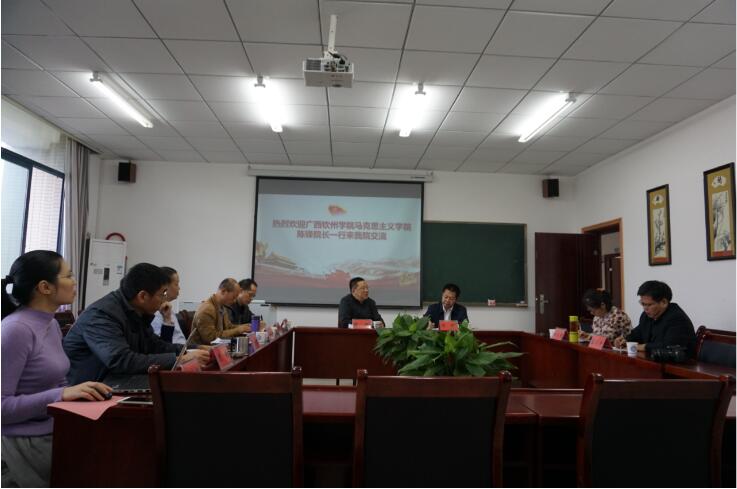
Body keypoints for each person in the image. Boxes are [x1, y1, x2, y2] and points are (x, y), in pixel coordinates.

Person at [2, 251, 112, 488]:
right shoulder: (15, 330)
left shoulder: (50, 323)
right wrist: (60, 395)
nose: (74, 282)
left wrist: (79, 393)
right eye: (68, 276)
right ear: (45, 287)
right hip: (22, 444)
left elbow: (57, 381)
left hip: (53, 431)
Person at [63, 263, 210, 384]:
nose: (164, 299)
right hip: (91, 388)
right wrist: (179, 360)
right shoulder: (102, 315)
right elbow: (121, 360)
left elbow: (155, 346)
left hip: (117, 380)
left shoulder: (136, 311)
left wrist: (194, 349)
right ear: (143, 296)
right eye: (162, 294)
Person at [613, 280, 697, 357]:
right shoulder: (646, 316)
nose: (645, 308)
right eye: (643, 304)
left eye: (649, 305)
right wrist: (625, 340)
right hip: (653, 361)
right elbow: (637, 333)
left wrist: (640, 347)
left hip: (679, 365)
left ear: (664, 302)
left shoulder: (677, 318)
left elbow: (668, 346)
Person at [190, 278, 251, 344]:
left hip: (218, 347)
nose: (234, 301)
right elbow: (211, 338)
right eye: (234, 297)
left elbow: (229, 326)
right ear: (223, 291)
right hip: (203, 348)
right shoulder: (207, 309)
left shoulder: (221, 306)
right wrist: (238, 330)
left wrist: (245, 327)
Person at [150, 267, 186, 344]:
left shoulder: (168, 308)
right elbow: (161, 345)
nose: (179, 288)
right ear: (165, 287)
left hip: (180, 349)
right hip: (174, 350)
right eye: (176, 284)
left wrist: (196, 347)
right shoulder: (156, 312)